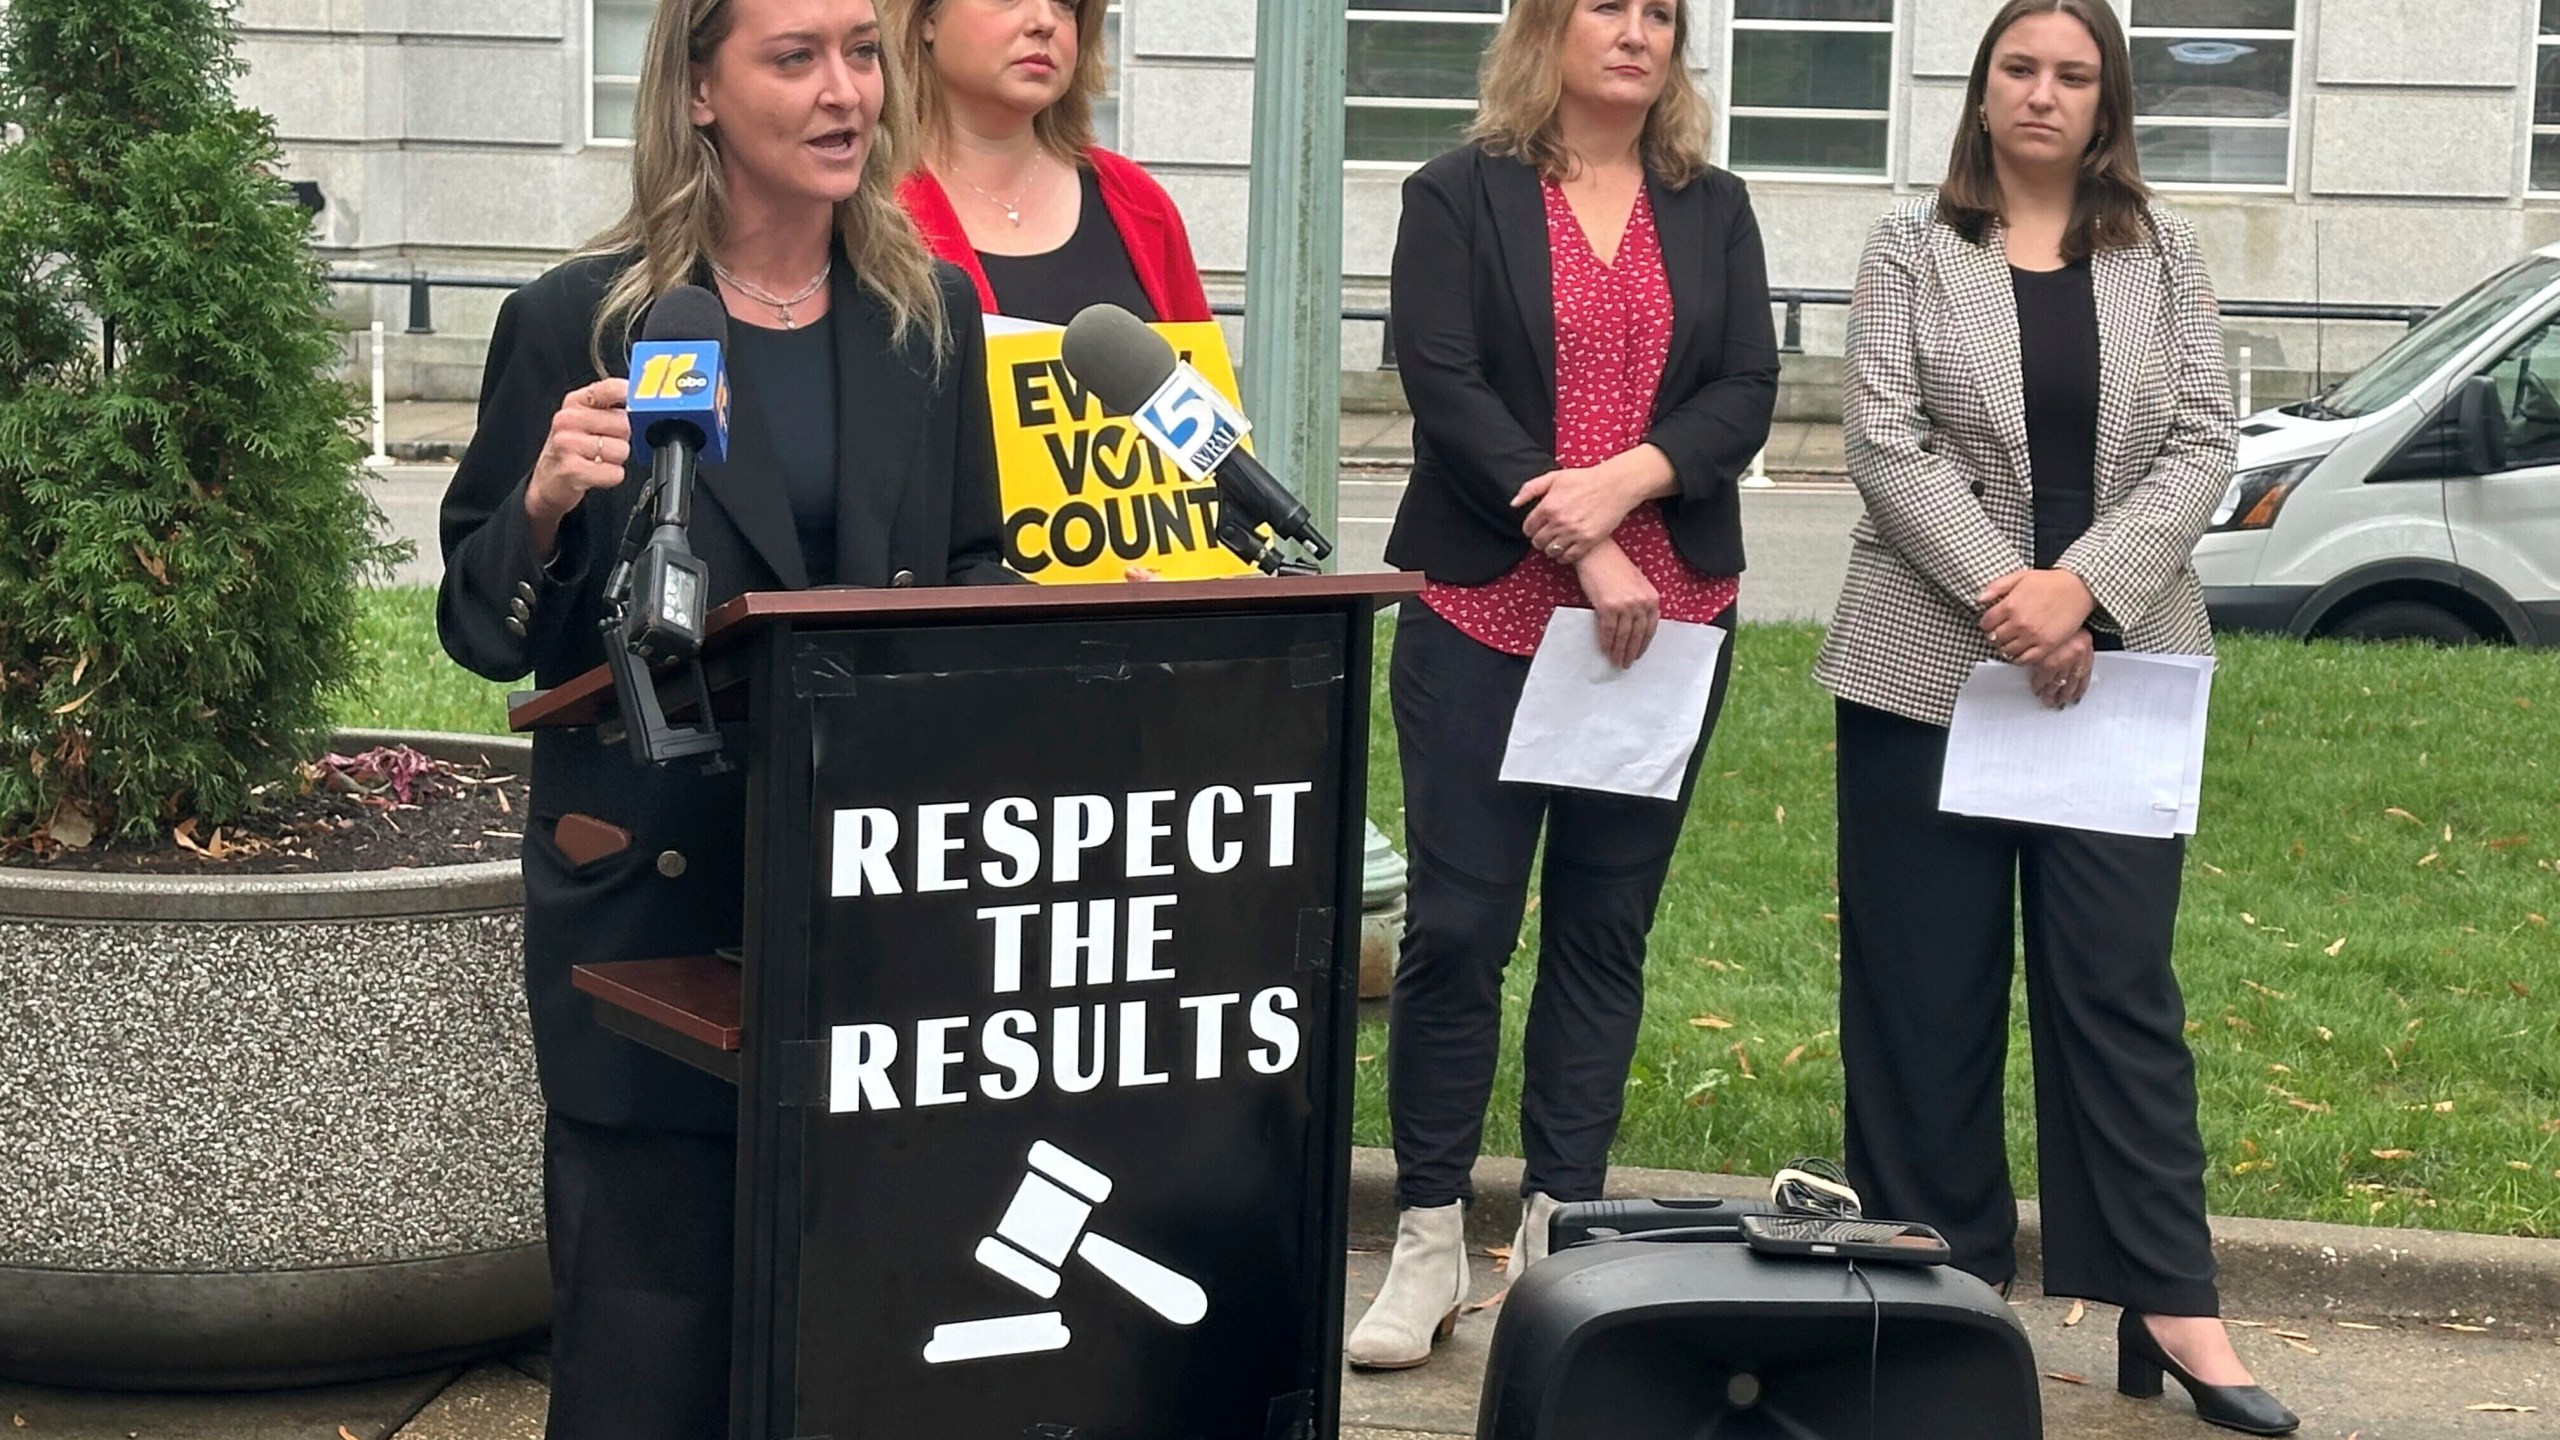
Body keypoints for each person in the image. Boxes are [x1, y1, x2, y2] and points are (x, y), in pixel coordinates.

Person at [435, 0, 1012, 1433]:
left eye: (863, 53)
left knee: (856, 1345)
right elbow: (473, 621)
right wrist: (549, 502)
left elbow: (968, 563)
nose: (845, 93)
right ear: (698, 89)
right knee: (652, 1359)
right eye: (795, 57)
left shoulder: (927, 312)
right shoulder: (582, 318)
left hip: (873, 906)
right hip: (656, 908)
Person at [1817, 1, 2295, 1433]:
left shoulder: (2170, 256)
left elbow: (2205, 441)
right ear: (1982, 91)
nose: (2044, 92)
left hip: (2121, 667)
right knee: (1923, 999)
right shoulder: (1911, 248)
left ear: (2108, 103)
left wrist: (2081, 594)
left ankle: (2172, 1298)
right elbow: (1881, 440)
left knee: (2117, 990)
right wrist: (2002, 593)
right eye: (2020, 67)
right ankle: (1937, 1299)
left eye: (2074, 73)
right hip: (1927, 671)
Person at [1347, 0, 1775, 1372]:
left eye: (1663, 12)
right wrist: (1582, 541)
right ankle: (1426, 1239)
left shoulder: (1711, 207)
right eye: (1611, 5)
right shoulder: (1456, 192)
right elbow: (1446, 384)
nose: (1639, 31)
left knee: (1601, 929)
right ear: (1545, 28)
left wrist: (1632, 483)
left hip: (1664, 622)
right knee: (1460, 931)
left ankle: (1557, 1239)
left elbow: (1747, 389)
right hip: (1488, 609)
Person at [886, 0, 1209, 325]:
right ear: (927, 15)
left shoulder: (1139, 201)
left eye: (1066, 4)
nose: (1044, 21)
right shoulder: (867, 204)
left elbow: (1200, 370)